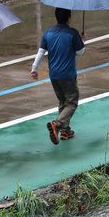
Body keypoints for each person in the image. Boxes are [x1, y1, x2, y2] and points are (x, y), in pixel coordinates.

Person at [29, 8, 85, 145]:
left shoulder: (48, 33)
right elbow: (81, 52)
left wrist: (34, 68)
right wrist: (82, 40)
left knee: (62, 102)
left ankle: (65, 131)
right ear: (69, 17)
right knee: (72, 102)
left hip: (54, 75)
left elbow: (41, 51)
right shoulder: (72, 33)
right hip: (68, 74)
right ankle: (58, 124)